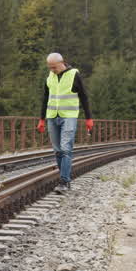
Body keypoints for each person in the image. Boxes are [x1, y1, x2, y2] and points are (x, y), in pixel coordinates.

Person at [35, 52, 94, 193]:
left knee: (66, 148)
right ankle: (65, 178)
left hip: (69, 116)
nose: (52, 70)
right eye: (49, 67)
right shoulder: (50, 77)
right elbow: (45, 98)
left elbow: (84, 97)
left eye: (54, 67)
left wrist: (89, 118)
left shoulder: (74, 75)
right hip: (52, 117)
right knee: (58, 151)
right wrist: (42, 119)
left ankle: (64, 181)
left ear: (62, 63)